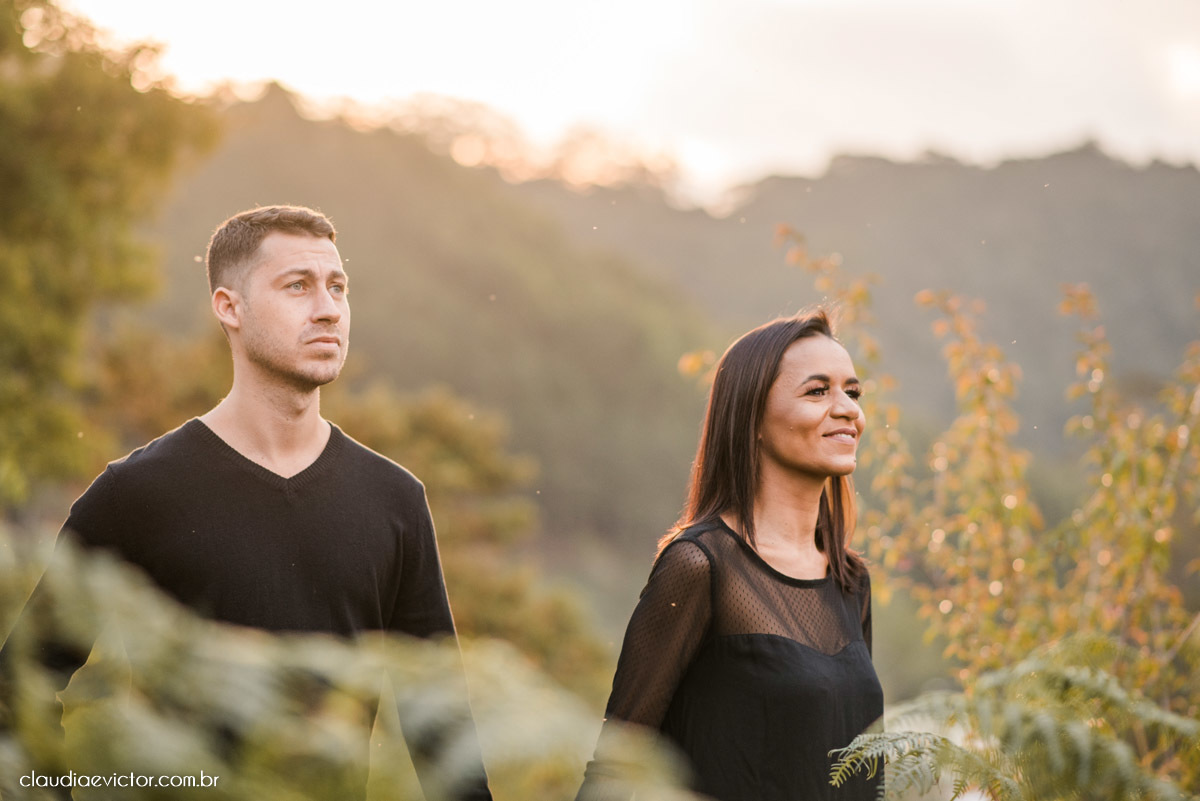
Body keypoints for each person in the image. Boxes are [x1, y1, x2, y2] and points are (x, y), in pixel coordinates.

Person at [3, 205, 492, 800]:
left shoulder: (395, 500)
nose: (328, 308)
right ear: (229, 308)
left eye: (338, 287)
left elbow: (444, 733)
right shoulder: (137, 493)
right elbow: (19, 694)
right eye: (298, 286)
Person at [577, 310, 884, 801]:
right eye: (817, 391)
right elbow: (619, 764)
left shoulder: (851, 580)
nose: (847, 408)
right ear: (752, 418)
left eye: (852, 391)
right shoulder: (699, 566)